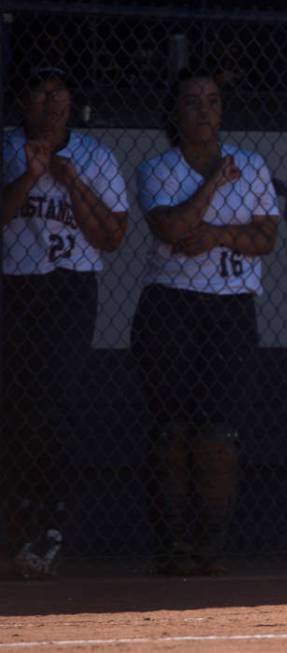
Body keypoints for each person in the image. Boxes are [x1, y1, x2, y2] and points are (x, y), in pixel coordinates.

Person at [132, 67, 280, 575]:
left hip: (230, 307)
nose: (204, 112)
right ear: (175, 113)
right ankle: (172, 545)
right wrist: (214, 184)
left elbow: (266, 238)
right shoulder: (158, 168)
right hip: (171, 305)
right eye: (193, 102)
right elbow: (171, 227)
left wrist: (217, 234)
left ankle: (210, 548)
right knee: (173, 430)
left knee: (218, 432)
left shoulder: (253, 166)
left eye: (213, 102)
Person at [0, 65, 129, 578]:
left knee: (49, 403)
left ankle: (49, 522)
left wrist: (69, 181)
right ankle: (18, 520)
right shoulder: (7, 148)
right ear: (23, 101)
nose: (53, 103)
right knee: (12, 404)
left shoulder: (93, 157)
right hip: (12, 284)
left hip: (68, 288)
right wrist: (29, 176)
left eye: (62, 93)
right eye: (42, 91)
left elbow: (112, 236)